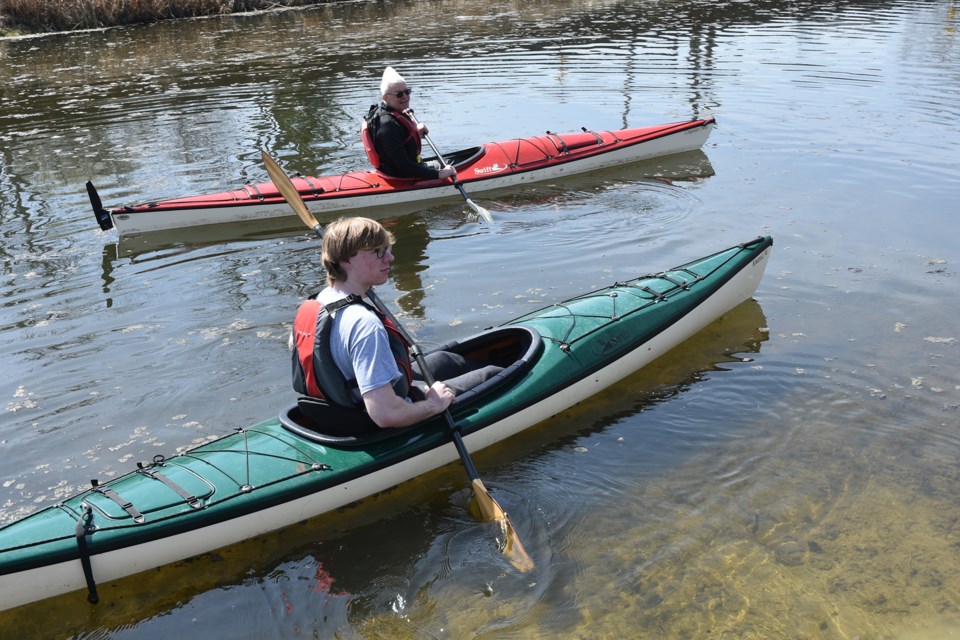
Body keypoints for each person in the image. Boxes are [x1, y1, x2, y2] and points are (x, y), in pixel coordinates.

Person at [291, 217, 501, 430]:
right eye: (377, 251)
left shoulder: (314, 304)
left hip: (341, 406)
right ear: (346, 260)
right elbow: (386, 415)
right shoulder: (364, 325)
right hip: (371, 416)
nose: (390, 258)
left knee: (446, 360)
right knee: (492, 373)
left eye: (387, 249)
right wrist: (433, 405)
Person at [362, 66, 457, 180]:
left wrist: (415, 130)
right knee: (455, 165)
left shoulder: (388, 111)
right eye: (399, 94)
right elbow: (404, 166)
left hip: (400, 169)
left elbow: (399, 137)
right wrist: (439, 174)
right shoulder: (387, 125)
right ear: (386, 97)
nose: (406, 97)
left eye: (407, 92)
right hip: (403, 175)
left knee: (454, 160)